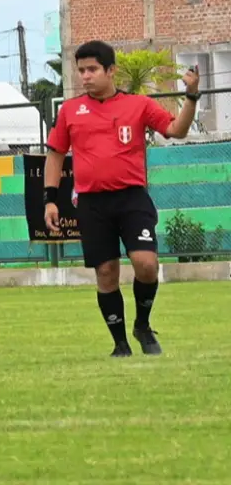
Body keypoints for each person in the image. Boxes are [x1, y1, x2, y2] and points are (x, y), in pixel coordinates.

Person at [43, 40, 201, 358]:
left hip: (131, 198)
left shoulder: (138, 105)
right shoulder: (71, 111)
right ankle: (120, 345)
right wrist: (50, 199)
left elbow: (177, 130)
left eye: (92, 70)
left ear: (111, 70)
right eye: (81, 71)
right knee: (105, 272)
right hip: (92, 202)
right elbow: (56, 154)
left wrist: (191, 97)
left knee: (146, 264)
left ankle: (142, 324)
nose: (85, 76)